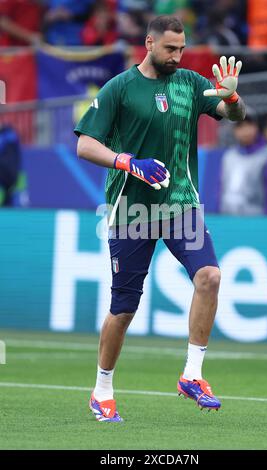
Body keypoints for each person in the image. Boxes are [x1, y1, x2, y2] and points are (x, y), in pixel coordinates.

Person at [75, 15, 246, 422]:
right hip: (132, 211)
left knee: (211, 277)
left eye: (181, 49)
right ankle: (102, 391)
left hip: (180, 206)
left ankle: (192, 375)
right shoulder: (120, 88)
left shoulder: (188, 83)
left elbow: (231, 115)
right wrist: (127, 162)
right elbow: (85, 144)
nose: (177, 56)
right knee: (124, 307)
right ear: (149, 43)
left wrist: (233, 99)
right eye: (170, 48)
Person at [219, 108, 267, 215]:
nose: (245, 130)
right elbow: (221, 191)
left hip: (255, 225)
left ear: (256, 127)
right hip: (228, 222)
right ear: (234, 130)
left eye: (249, 124)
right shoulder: (228, 157)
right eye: (240, 126)